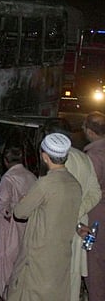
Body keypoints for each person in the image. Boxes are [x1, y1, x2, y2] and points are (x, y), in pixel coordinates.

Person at [6, 133, 82, 301]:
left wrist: (24, 200)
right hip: (61, 252)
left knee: (29, 293)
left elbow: (20, 212)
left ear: (45, 157)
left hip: (39, 253)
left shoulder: (46, 183)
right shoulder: (74, 183)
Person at [42, 119, 101, 301]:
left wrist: (69, 215)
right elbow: (95, 193)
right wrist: (77, 213)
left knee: (49, 281)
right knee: (72, 281)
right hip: (79, 228)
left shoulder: (55, 163)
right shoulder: (83, 158)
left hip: (57, 230)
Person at [0, 145, 36, 299]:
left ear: (5, 161)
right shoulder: (31, 176)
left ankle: (7, 295)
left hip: (9, 227)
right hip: (28, 226)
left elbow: (3, 206)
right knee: (21, 262)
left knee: (4, 261)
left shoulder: (8, 179)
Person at [82, 111, 105, 301]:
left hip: (97, 215)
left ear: (90, 131)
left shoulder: (94, 156)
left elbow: (91, 188)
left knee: (94, 264)